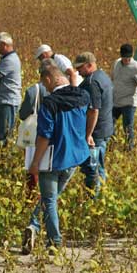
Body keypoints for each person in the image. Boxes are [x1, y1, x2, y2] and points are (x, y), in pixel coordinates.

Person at [22, 59, 90, 254]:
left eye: (45, 84)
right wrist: (88, 135)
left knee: (49, 200)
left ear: (49, 79)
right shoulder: (83, 95)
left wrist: (35, 162)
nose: (45, 88)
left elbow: (45, 135)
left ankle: (54, 242)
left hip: (53, 159)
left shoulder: (50, 103)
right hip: (75, 157)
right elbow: (92, 113)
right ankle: (34, 225)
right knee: (50, 198)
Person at [75, 52, 114, 192]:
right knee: (100, 165)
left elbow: (93, 110)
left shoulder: (91, 82)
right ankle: (101, 193)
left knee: (93, 168)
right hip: (105, 128)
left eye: (80, 68)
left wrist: (88, 134)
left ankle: (94, 197)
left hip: (96, 133)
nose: (78, 71)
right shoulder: (103, 76)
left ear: (89, 65)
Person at [111, 43, 137, 150]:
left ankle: (129, 149)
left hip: (129, 102)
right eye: (124, 58)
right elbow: (112, 78)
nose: (126, 60)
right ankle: (112, 145)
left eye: (129, 58)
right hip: (115, 101)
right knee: (109, 123)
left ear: (132, 55)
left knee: (127, 127)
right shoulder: (116, 63)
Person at [0, 32, 21, 145]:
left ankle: (4, 152)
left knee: (5, 135)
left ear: (4, 44)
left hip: (8, 101)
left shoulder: (9, 60)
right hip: (7, 100)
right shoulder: (8, 58)